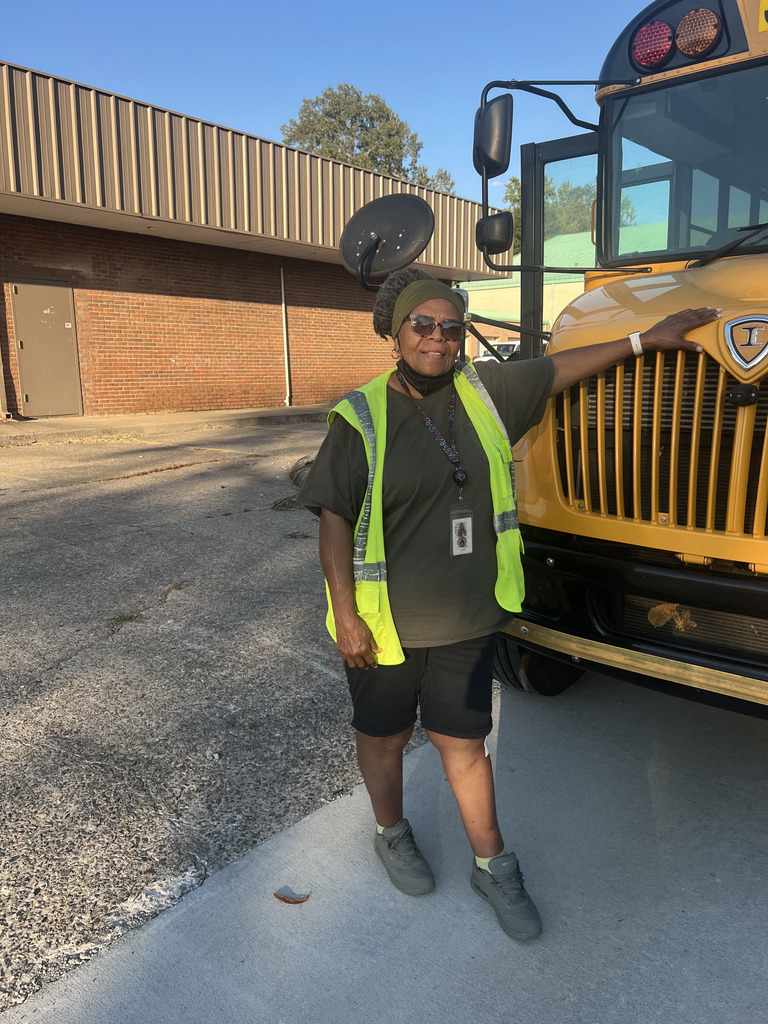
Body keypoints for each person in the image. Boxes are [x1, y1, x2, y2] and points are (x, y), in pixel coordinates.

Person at [297, 267, 719, 942]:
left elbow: (559, 370)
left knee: (465, 746)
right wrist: (345, 616)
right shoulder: (362, 416)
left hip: (466, 618)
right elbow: (334, 521)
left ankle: (493, 865)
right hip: (386, 628)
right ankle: (391, 830)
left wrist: (648, 340)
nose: (437, 338)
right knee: (384, 736)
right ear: (396, 331)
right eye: (422, 324)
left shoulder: (487, 391)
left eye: (450, 326)